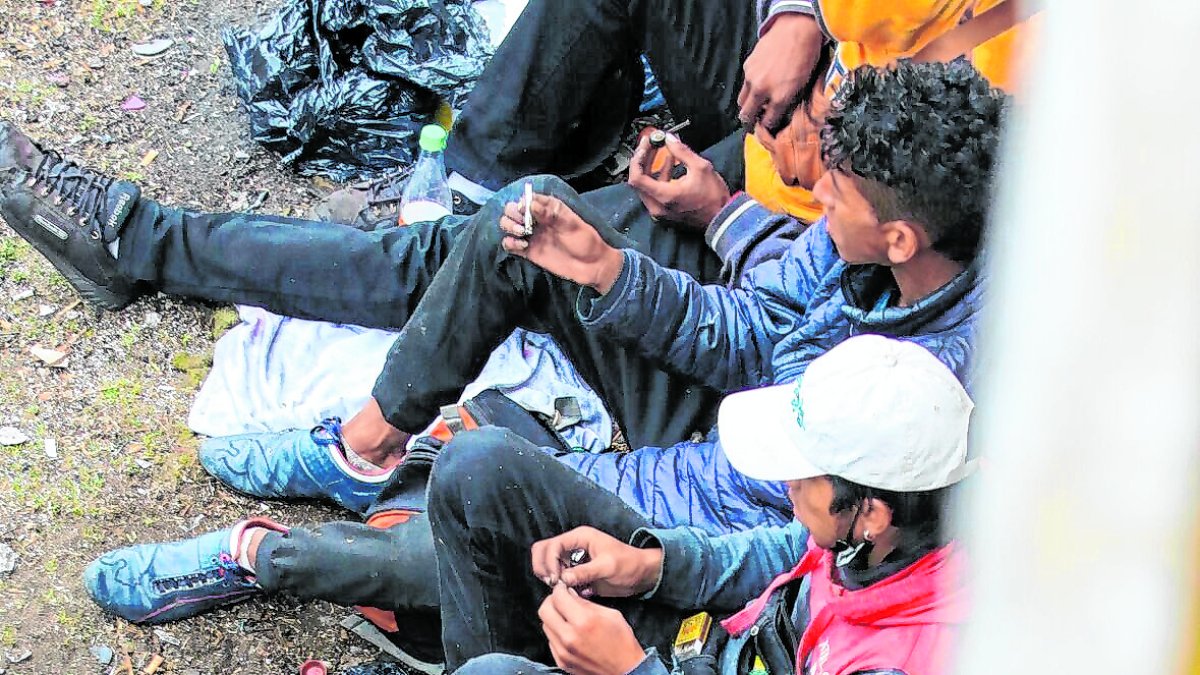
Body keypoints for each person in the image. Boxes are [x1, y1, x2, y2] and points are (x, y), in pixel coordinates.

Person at [80, 62, 1001, 636]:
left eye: (834, 197)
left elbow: (807, 559)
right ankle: (369, 443)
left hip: (719, 519)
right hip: (731, 434)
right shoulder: (861, 256)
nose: (815, 203)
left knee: (478, 522)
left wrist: (659, 562)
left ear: (903, 239)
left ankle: (262, 558)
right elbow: (757, 338)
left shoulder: (955, 398)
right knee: (525, 222)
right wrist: (605, 270)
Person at [432, 334, 976, 674]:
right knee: (478, 468)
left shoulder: (905, 658)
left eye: (801, 475)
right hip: (724, 645)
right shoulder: (889, 531)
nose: (786, 483)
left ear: (872, 514)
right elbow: (793, 552)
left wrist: (629, 669)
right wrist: (652, 566)